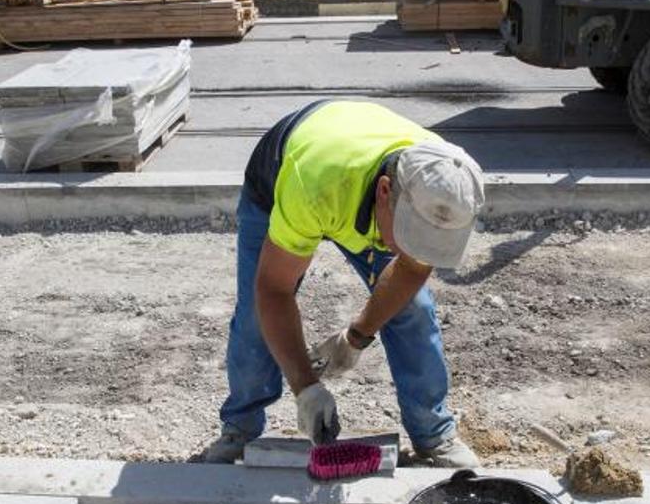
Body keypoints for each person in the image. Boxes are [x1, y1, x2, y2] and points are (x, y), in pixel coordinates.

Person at [201, 100, 485, 467]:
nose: (409, 251)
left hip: (351, 170)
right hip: (290, 173)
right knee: (256, 317)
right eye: (407, 235)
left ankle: (433, 432)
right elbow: (274, 291)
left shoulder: (446, 187)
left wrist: (357, 336)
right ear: (385, 193)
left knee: (414, 310)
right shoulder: (314, 185)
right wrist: (306, 388)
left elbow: (413, 270)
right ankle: (240, 430)